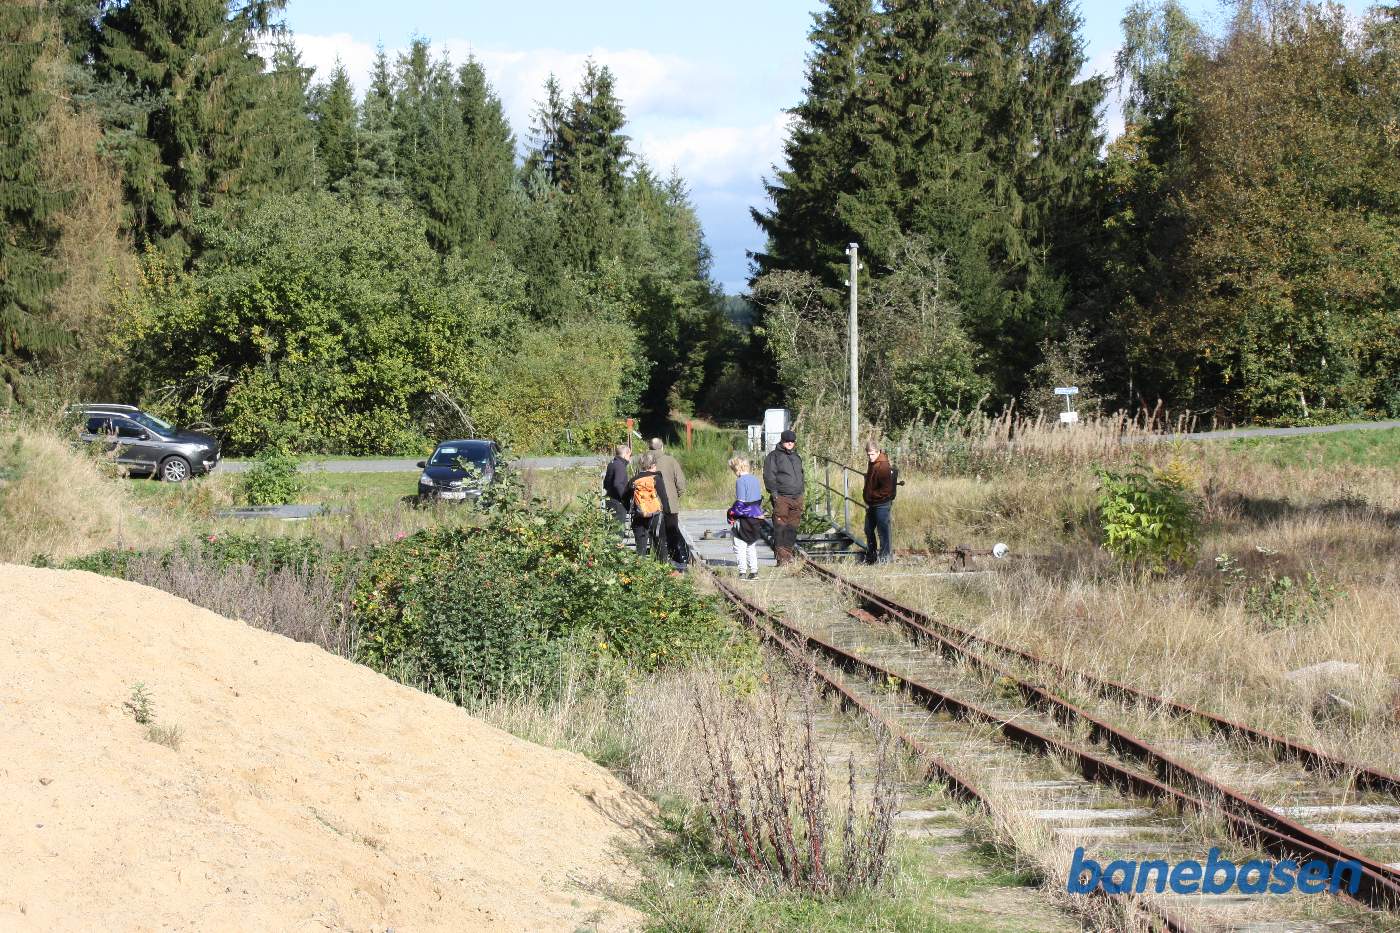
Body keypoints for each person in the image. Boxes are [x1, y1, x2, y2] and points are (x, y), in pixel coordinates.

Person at [762, 429, 804, 565]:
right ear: (782, 441)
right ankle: (782, 557)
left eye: (792, 441)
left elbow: (801, 474)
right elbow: (769, 476)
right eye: (787, 441)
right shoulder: (773, 456)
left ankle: (788, 553)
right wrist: (774, 494)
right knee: (780, 526)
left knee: (792, 527)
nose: (790, 443)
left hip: (797, 497)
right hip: (781, 496)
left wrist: (802, 491)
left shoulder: (796, 457)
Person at [649, 437, 690, 568]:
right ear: (662, 447)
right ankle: (677, 560)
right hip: (670, 503)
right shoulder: (671, 460)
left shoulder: (644, 460)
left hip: (650, 503)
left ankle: (659, 560)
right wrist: (677, 494)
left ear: (650, 448)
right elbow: (680, 481)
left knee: (655, 533)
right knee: (672, 532)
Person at [626, 451, 671, 562]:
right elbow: (664, 499)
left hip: (639, 517)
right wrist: (667, 514)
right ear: (653, 465)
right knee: (660, 544)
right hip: (656, 517)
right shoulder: (656, 479)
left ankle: (640, 572)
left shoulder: (634, 480)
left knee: (640, 548)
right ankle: (662, 569)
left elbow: (625, 497)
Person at [726, 455, 765, 580]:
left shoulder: (740, 481)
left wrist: (731, 514)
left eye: (733, 470)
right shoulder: (755, 479)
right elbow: (757, 499)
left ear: (737, 468)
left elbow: (741, 502)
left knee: (739, 544)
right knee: (751, 544)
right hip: (756, 516)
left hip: (744, 518)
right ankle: (754, 571)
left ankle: (742, 572)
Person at [862, 440, 896, 564]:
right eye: (868, 455)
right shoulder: (873, 463)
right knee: (868, 529)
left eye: (872, 454)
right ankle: (871, 555)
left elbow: (887, 490)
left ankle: (885, 558)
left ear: (878, 452)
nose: (870, 457)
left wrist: (870, 495)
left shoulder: (883, 466)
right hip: (872, 503)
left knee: (883, 531)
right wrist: (867, 497)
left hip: (881, 503)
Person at [602, 444, 631, 539]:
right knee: (617, 533)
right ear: (626, 454)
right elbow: (617, 484)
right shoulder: (620, 466)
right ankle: (616, 550)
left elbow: (605, 483)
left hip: (610, 499)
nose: (629, 458)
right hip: (618, 502)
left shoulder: (612, 463)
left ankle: (611, 551)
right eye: (629, 455)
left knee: (612, 530)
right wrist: (625, 498)